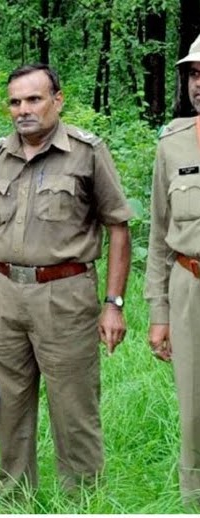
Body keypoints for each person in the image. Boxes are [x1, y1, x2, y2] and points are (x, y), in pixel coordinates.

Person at [0, 63, 132, 496]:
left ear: (57, 100)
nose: (23, 110)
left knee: (74, 408)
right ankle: (14, 497)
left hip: (64, 295)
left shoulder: (86, 152)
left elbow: (118, 226)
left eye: (33, 99)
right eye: (15, 102)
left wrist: (113, 303)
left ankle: (81, 498)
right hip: (2, 297)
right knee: (9, 408)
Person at [144, 35, 200, 507]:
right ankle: (192, 498)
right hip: (190, 285)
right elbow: (159, 235)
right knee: (193, 405)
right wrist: (158, 310)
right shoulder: (174, 143)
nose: (199, 83)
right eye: (195, 74)